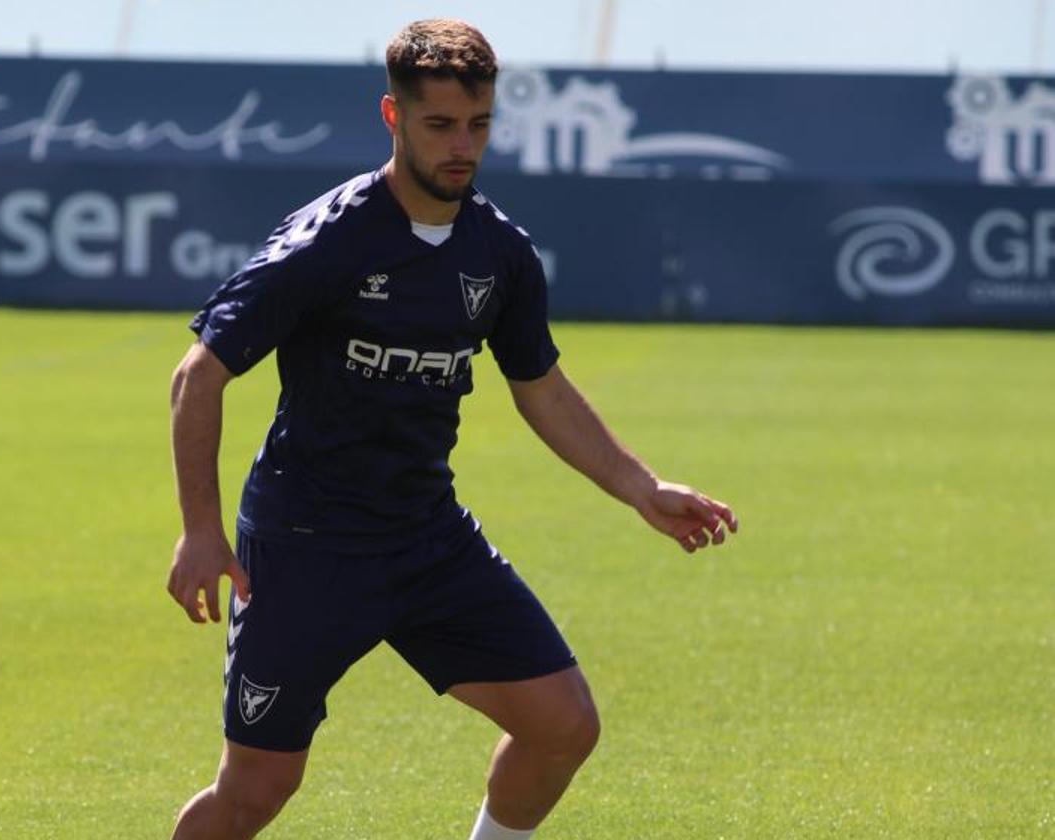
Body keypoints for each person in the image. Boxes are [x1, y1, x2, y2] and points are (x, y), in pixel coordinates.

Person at [166, 18, 738, 840]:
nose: (461, 146)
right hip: (304, 548)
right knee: (255, 791)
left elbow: (539, 387)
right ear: (394, 117)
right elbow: (199, 376)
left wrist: (640, 488)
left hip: (426, 540)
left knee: (563, 726)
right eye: (439, 126)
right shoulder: (326, 241)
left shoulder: (499, 254)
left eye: (478, 125)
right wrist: (199, 532)